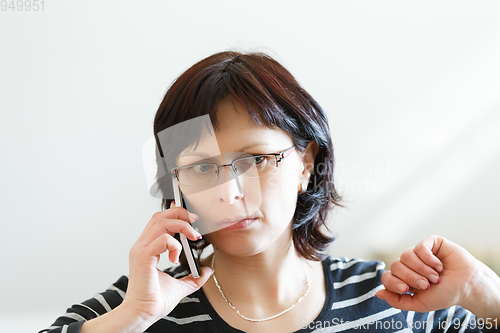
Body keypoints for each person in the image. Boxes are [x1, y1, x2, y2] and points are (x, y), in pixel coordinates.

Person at [40, 51, 500, 333]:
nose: (231, 192)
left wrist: (485, 293)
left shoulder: (397, 301)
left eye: (256, 160)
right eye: (201, 167)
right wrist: (132, 320)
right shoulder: (135, 308)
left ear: (305, 163)